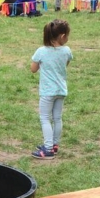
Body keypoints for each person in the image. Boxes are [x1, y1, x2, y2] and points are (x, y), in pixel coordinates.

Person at [30, 19, 72, 159]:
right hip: (61, 90)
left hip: (47, 92)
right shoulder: (66, 51)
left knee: (45, 118)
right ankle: (54, 145)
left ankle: (48, 149)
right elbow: (66, 64)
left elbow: (33, 69)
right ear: (62, 36)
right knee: (57, 118)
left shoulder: (41, 51)